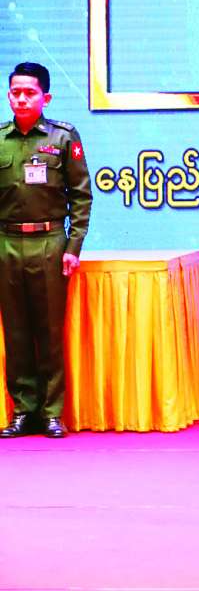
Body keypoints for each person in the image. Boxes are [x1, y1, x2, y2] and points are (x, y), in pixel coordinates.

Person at [1, 62, 92, 440]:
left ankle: (52, 413)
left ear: (46, 97)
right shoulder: (0, 139)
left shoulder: (62, 137)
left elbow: (82, 197)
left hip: (50, 243)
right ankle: (23, 411)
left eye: (30, 93)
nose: (21, 99)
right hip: (6, 245)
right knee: (16, 334)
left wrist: (73, 246)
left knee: (49, 332)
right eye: (15, 92)